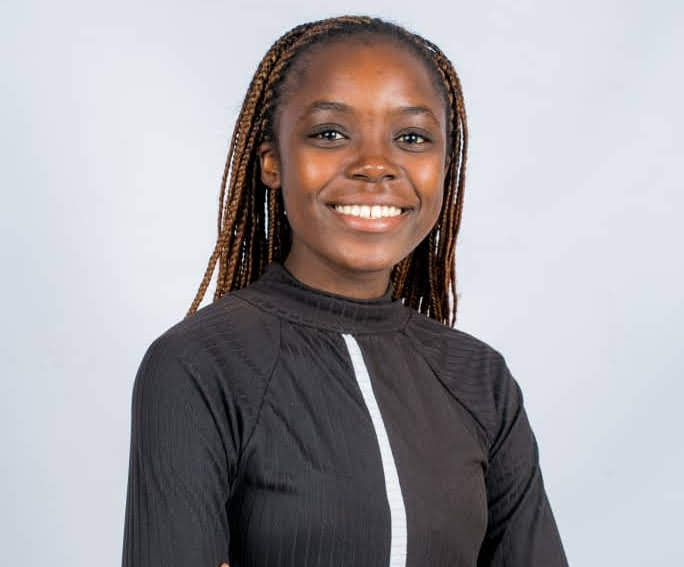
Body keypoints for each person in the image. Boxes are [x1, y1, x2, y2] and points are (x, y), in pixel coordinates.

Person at [121, 15, 569, 567]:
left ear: (444, 164)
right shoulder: (200, 365)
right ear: (271, 161)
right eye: (330, 134)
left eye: (411, 137)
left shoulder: (479, 381)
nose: (375, 166)